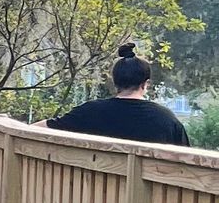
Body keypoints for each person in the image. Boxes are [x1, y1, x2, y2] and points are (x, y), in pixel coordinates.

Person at [47, 45, 191, 145]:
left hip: (93, 187)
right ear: (145, 84)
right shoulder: (167, 120)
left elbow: (44, 128)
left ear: (115, 82)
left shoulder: (89, 112)